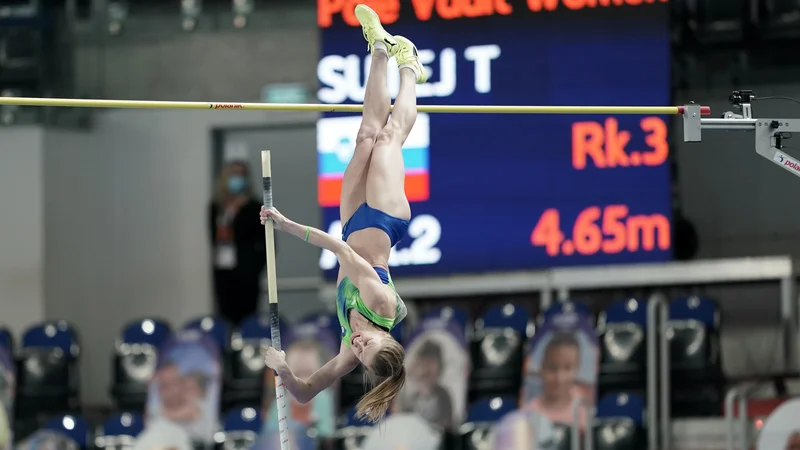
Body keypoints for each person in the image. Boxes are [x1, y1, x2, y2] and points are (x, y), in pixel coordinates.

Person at [259, 3, 426, 424]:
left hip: (353, 222)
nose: (356, 348)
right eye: (366, 346)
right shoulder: (380, 304)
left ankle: (380, 50)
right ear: (382, 335)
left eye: (360, 356)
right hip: (386, 217)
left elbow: (306, 390)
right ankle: (409, 67)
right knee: (388, 138)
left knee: (365, 137)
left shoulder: (351, 350)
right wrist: (284, 224)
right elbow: (340, 252)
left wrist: (282, 369)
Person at [209, 160, 266, 326]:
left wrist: (253, 268)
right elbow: (213, 240)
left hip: (247, 275)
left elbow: (264, 244)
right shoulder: (216, 207)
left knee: (247, 316)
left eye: (241, 175)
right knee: (225, 316)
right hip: (223, 272)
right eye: (234, 174)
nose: (237, 179)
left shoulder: (254, 207)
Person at [526, 332, 587, 429]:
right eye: (552, 368)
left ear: (577, 368)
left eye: (567, 368)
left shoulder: (584, 405)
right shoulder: (530, 412)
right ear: (542, 369)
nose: (560, 378)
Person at [397, 339, 454, 430]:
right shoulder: (409, 398)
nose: (426, 369)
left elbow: (447, 426)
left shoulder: (444, 396)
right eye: (423, 363)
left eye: (431, 363)